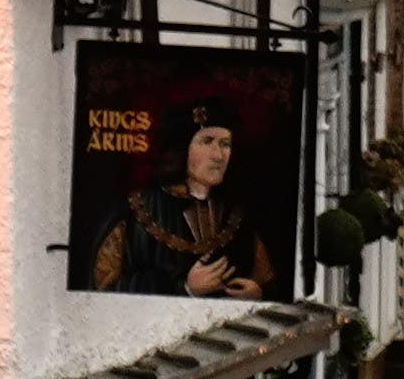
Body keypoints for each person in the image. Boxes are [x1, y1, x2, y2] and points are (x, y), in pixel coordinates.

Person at [93, 110, 274, 297]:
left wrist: (258, 295)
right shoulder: (135, 212)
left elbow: (268, 280)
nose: (219, 156)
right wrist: (184, 288)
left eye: (225, 144)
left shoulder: (238, 215)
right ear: (182, 148)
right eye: (207, 141)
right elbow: (102, 288)